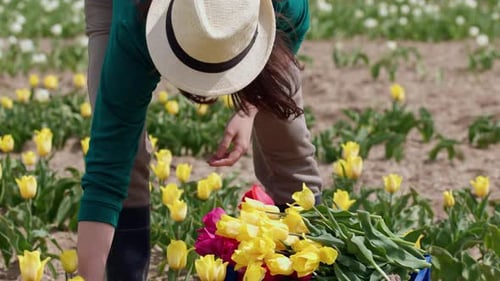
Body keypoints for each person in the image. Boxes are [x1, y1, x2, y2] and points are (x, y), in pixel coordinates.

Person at [79, 0, 322, 280]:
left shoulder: (286, 7)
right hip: (124, 9)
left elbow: (284, 49)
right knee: (124, 147)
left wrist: (249, 107)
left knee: (282, 123)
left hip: (254, 18)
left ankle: (304, 260)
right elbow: (108, 163)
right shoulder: (132, 24)